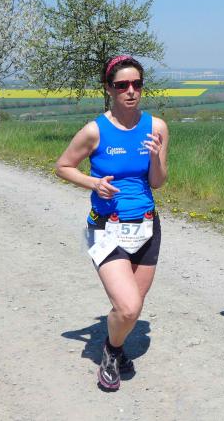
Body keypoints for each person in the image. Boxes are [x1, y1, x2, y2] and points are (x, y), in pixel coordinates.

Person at [55, 56, 169, 391]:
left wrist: (154, 157)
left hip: (146, 226)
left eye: (137, 84)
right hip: (105, 226)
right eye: (122, 85)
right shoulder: (95, 130)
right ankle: (109, 355)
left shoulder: (157, 128)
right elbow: (63, 166)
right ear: (109, 89)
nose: (131, 91)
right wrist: (93, 183)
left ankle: (115, 348)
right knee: (128, 307)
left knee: (132, 307)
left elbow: (158, 182)